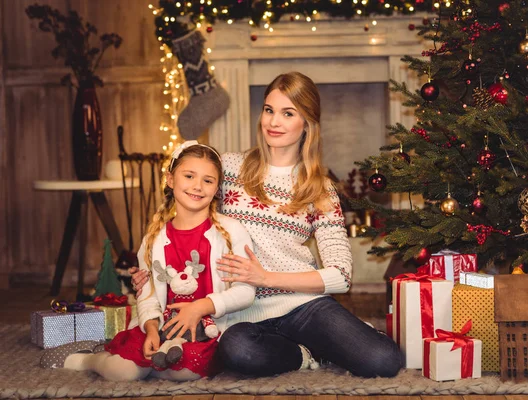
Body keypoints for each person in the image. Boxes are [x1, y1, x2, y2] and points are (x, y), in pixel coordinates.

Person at [132, 71, 403, 378]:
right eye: (269, 110)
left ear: (307, 124)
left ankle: (327, 337)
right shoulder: (228, 167)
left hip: (302, 306)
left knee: (384, 360)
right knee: (238, 350)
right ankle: (304, 354)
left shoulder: (319, 188)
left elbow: (341, 276)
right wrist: (152, 268)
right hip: (237, 309)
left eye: (288, 114)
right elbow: (186, 210)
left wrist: (266, 277)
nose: (274, 122)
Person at [57, 142, 256, 381]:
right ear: (171, 180)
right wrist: (151, 328)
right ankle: (90, 359)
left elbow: (245, 291)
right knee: (122, 372)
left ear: (217, 188)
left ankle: (156, 366)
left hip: (205, 332)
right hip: (160, 326)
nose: (198, 186)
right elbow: (147, 294)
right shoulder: (155, 238)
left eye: (208, 180)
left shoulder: (230, 231)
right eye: (189, 176)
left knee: (184, 371)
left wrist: (201, 306)